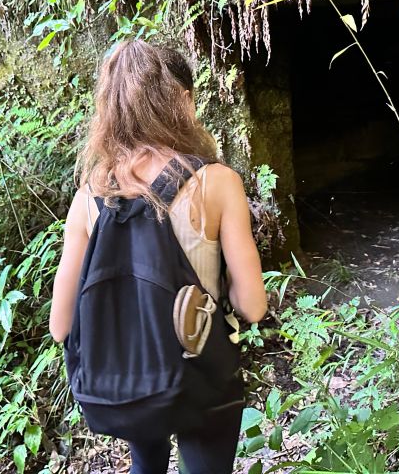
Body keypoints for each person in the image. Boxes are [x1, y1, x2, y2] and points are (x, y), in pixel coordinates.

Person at [49, 38, 267, 474]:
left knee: (145, 461)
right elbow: (253, 306)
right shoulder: (217, 182)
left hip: (131, 380)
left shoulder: (90, 195)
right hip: (200, 376)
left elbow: (60, 326)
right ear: (182, 101)